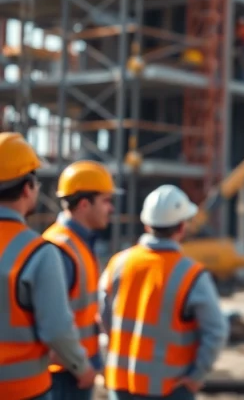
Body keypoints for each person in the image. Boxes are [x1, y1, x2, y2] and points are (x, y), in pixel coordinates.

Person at [98, 184, 228, 400]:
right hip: (170, 388)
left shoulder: (118, 263)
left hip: (120, 384)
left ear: (147, 225)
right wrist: (197, 375)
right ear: (181, 228)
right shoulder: (192, 274)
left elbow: (104, 317)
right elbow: (216, 331)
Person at [0, 132, 97, 400]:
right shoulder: (38, 253)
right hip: (22, 390)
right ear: (27, 188)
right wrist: (82, 368)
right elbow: (56, 329)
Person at [44, 160, 119, 400]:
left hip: (75, 371)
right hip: (65, 376)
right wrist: (81, 368)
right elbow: (50, 323)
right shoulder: (59, 248)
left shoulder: (79, 243)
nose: (112, 209)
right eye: (106, 201)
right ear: (84, 204)